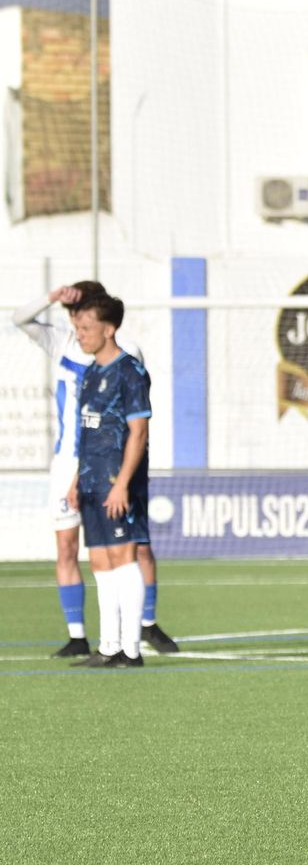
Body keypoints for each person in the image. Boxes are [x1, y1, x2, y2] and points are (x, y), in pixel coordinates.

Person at [11, 283, 175, 658]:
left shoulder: (126, 359)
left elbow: (135, 424)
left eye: (83, 313)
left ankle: (140, 632)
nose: (75, 321)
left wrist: (126, 475)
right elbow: (20, 317)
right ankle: (93, 639)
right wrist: (54, 296)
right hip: (74, 464)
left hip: (115, 465)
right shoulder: (67, 347)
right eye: (73, 313)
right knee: (86, 550)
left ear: (104, 321)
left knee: (134, 549)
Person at [66, 293, 153, 668]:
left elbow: (138, 433)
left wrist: (122, 485)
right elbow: (88, 433)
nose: (80, 334)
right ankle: (108, 646)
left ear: (109, 328)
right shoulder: (91, 373)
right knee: (99, 560)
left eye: (86, 328)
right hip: (90, 481)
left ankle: (131, 651)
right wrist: (75, 479)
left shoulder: (129, 371)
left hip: (119, 481)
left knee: (123, 556)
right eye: (77, 328)